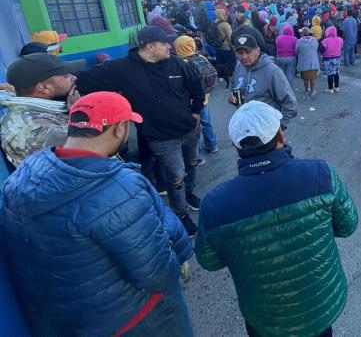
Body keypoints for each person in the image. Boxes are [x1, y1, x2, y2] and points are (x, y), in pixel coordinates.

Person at [1, 92, 194, 336]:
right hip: (138, 320)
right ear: (119, 129)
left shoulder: (23, 175)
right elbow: (158, 273)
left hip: (72, 322)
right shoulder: (118, 187)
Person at [195, 101, 358, 337]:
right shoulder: (321, 173)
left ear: (235, 145)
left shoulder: (214, 204)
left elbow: (210, 262)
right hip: (320, 306)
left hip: (265, 319)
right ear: (280, 135)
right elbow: (348, 225)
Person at [76, 26, 205, 236]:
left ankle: (189, 194)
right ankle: (180, 213)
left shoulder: (176, 63)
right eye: (164, 43)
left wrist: (196, 112)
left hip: (189, 129)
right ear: (150, 46)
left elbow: (196, 87)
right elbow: (81, 80)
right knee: (176, 175)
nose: (169, 47)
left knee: (191, 164)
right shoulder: (122, 68)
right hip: (160, 136)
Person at [0, 53, 82, 168]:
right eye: (66, 76)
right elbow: (98, 148)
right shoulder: (37, 130)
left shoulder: (32, 109)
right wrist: (80, 116)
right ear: (44, 88)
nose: (74, 77)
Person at [228, 33, 298, 129]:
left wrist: (280, 127)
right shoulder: (239, 66)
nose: (244, 57)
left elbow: (290, 104)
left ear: (257, 50)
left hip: (266, 128)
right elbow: (233, 85)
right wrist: (231, 95)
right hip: (244, 125)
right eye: (240, 53)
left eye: (248, 52)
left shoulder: (273, 72)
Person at [174, 36, 218, 159]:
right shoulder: (201, 58)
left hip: (190, 103)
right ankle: (212, 145)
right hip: (204, 98)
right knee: (207, 123)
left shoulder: (179, 64)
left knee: (194, 128)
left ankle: (198, 156)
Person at [211, 7, 236, 82]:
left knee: (220, 63)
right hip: (226, 47)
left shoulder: (214, 23)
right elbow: (230, 37)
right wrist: (233, 48)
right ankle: (233, 76)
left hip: (217, 47)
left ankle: (221, 76)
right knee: (231, 62)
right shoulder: (225, 24)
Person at [295, 27, 321, 96]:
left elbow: (296, 51)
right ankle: (312, 91)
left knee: (305, 78)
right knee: (313, 78)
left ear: (303, 33)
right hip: (313, 62)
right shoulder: (314, 40)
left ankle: (306, 90)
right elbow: (317, 47)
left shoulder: (299, 41)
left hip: (303, 63)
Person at [321, 25, 344, 93]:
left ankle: (330, 89)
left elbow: (322, 49)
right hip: (337, 58)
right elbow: (341, 46)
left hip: (328, 59)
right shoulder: (340, 39)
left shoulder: (325, 40)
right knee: (336, 73)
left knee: (330, 74)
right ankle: (337, 88)